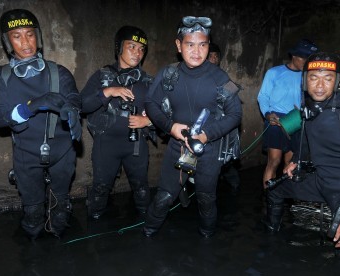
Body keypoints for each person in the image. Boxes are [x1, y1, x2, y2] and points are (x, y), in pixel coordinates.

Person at [263, 52, 340, 260]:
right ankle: (269, 243)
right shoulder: (308, 112)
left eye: (327, 78)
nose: (320, 85)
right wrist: (295, 160)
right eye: (313, 78)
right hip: (318, 180)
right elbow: (305, 142)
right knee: (274, 189)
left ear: (336, 81)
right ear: (305, 81)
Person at [0, 9, 82, 239]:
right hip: (26, 152)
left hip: (62, 150)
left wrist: (73, 110)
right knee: (33, 213)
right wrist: (32, 106)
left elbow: (73, 97)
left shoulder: (59, 72)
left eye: (29, 34)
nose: (25, 42)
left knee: (60, 206)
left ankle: (61, 247)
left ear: (37, 37)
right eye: (17, 36)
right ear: (7, 41)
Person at [143, 16, 242, 238]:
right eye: (190, 44)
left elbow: (236, 114)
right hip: (178, 145)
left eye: (202, 45)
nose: (196, 51)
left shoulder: (220, 77)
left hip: (209, 149)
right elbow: (150, 102)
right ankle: (148, 232)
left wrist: (207, 135)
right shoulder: (168, 74)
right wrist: (170, 127)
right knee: (165, 196)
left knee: (206, 198)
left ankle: (207, 237)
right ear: (178, 45)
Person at [81, 26, 153, 220]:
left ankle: (147, 230)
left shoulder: (147, 81)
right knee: (100, 188)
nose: (137, 53)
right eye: (132, 46)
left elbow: (165, 113)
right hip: (106, 144)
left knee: (141, 188)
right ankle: (94, 229)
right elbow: (82, 105)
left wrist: (147, 121)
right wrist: (108, 92)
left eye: (141, 49)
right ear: (119, 48)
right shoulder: (102, 76)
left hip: (136, 145)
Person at [257, 39, 318, 190]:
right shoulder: (275, 73)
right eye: (303, 58)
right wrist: (268, 114)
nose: (306, 62)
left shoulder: (308, 77)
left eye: (309, 59)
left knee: (290, 163)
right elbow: (263, 96)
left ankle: (286, 196)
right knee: (274, 161)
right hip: (276, 120)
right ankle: (269, 197)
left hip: (296, 120)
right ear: (294, 56)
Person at [208, 42, 241, 193]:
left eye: (216, 56)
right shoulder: (197, 77)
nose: (214, 59)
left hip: (223, 126)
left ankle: (234, 190)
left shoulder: (223, 77)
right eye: (211, 56)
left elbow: (233, 108)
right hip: (206, 127)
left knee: (227, 159)